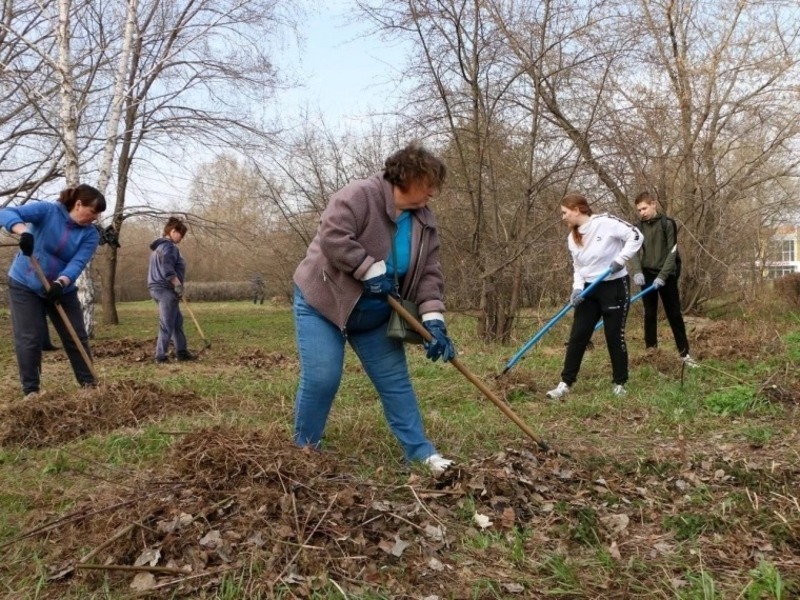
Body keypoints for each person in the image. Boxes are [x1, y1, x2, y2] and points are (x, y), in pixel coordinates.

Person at [292, 142, 456, 475]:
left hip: (374, 314)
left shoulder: (424, 220)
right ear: (408, 177)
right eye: (429, 184)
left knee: (395, 382)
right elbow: (333, 236)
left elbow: (428, 271)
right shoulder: (360, 195)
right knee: (323, 377)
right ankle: (304, 451)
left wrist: (433, 320)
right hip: (324, 303)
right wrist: (366, 268)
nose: (433, 193)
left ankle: (422, 453)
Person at [0, 184, 106, 399]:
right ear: (78, 204)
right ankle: (32, 391)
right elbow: (6, 212)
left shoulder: (90, 235)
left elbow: (78, 262)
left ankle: (90, 385)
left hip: (61, 289)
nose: (94, 218)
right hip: (25, 283)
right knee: (30, 336)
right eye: (92, 212)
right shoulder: (48, 211)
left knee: (76, 334)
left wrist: (61, 282)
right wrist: (23, 233)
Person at [546, 193, 643, 399]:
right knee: (578, 336)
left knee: (614, 336)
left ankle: (620, 382)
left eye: (565, 213)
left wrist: (621, 259)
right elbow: (578, 267)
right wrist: (577, 288)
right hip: (589, 290)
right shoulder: (572, 238)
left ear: (576, 209)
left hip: (614, 286)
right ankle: (565, 382)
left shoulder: (605, 222)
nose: (563, 217)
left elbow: (636, 236)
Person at [629, 191, 695, 366]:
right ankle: (652, 353)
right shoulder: (638, 227)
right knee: (649, 315)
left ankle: (685, 354)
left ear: (653, 204)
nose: (642, 212)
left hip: (667, 275)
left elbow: (672, 253)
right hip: (647, 275)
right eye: (639, 210)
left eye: (644, 208)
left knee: (674, 314)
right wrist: (637, 271)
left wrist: (663, 277)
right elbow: (633, 251)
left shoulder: (668, 224)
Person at [147, 217, 195, 363]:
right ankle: (160, 356)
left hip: (155, 288)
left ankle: (182, 351)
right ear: (173, 231)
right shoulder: (169, 247)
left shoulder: (158, 248)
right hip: (166, 289)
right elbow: (168, 270)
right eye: (181, 234)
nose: (181, 238)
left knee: (176, 321)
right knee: (167, 323)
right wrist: (177, 285)